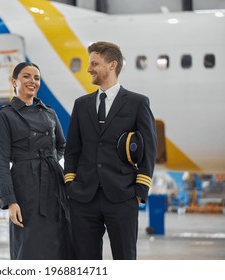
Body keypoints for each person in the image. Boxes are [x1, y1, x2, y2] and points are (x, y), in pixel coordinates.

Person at [64, 41, 157, 260]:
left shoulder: (137, 103)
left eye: (94, 63)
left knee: (125, 259)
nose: (89, 69)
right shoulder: (81, 105)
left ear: (112, 65)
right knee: (85, 262)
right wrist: (71, 184)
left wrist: (139, 192)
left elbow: (149, 150)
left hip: (122, 196)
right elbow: (72, 150)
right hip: (84, 197)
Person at [0, 62, 73, 260]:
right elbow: (0, 162)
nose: (32, 81)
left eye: (36, 78)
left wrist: (50, 161)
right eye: (26, 76)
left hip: (54, 186)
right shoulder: (4, 116)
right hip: (25, 187)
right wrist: (10, 201)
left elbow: (62, 146)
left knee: (60, 244)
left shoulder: (49, 113)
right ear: (14, 81)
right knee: (29, 246)